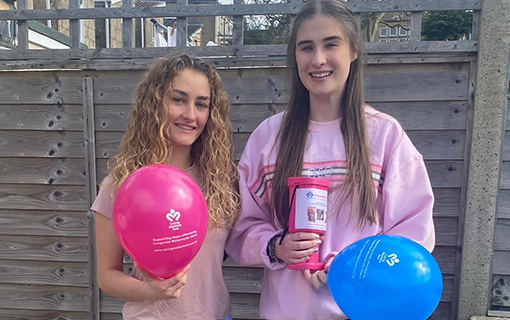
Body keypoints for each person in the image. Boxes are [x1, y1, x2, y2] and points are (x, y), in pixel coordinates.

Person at [225, 1, 435, 319]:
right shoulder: (269, 138)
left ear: (354, 51)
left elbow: (415, 236)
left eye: (330, 44)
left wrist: (355, 263)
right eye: (306, 47)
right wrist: (276, 246)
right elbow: (240, 228)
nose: (318, 59)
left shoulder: (385, 136)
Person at [92, 53, 240, 320]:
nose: (190, 115)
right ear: (155, 103)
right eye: (179, 100)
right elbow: (106, 276)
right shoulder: (122, 184)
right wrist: (150, 290)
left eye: (202, 104)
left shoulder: (221, 180)